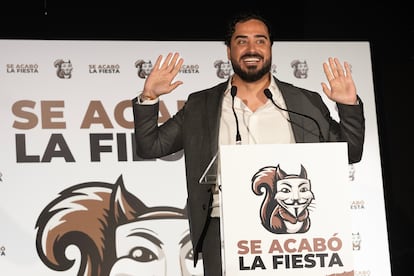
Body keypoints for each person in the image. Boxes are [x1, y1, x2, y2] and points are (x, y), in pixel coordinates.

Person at [131, 12, 365, 276]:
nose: (252, 49)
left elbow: (350, 152)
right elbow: (150, 146)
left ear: (270, 48)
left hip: (294, 234)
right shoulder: (201, 105)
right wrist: (149, 96)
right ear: (229, 50)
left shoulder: (305, 102)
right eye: (242, 41)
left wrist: (348, 106)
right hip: (223, 231)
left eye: (260, 41)